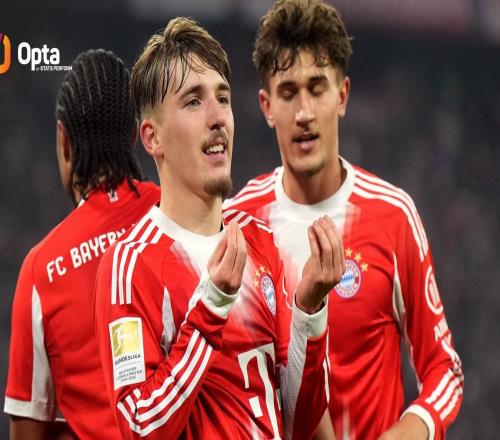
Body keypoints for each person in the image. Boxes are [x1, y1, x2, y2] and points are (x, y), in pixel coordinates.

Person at [94, 17, 345, 440]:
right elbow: (139, 426)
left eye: (223, 98)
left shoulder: (258, 241)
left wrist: (309, 309)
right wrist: (211, 307)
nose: (218, 118)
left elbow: (299, 423)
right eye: (193, 101)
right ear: (152, 138)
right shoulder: (131, 266)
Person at [224, 1, 464, 439]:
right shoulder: (238, 225)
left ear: (342, 96)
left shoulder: (393, 216)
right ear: (266, 106)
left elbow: (443, 369)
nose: (304, 113)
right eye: (288, 92)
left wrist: (408, 431)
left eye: (317, 88)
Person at [4, 49, 160, 439]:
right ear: (134, 135)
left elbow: (27, 429)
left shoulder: (41, 270)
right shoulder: (179, 213)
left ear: (64, 141)